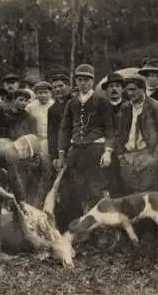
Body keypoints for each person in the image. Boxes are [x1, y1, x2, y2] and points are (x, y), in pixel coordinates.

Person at [56, 64, 114, 219]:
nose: (82, 83)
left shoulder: (101, 101)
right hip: (76, 150)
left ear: (92, 81)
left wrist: (107, 152)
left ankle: (100, 224)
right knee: (78, 188)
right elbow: (64, 129)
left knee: (96, 188)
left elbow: (109, 128)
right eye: (79, 80)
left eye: (86, 80)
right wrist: (61, 154)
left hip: (95, 149)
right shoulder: (72, 103)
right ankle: (83, 222)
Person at [26, 81, 55, 154]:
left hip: (52, 140)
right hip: (36, 139)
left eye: (46, 92)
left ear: (50, 93)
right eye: (40, 93)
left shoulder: (55, 105)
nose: (43, 95)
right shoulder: (30, 107)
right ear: (36, 94)